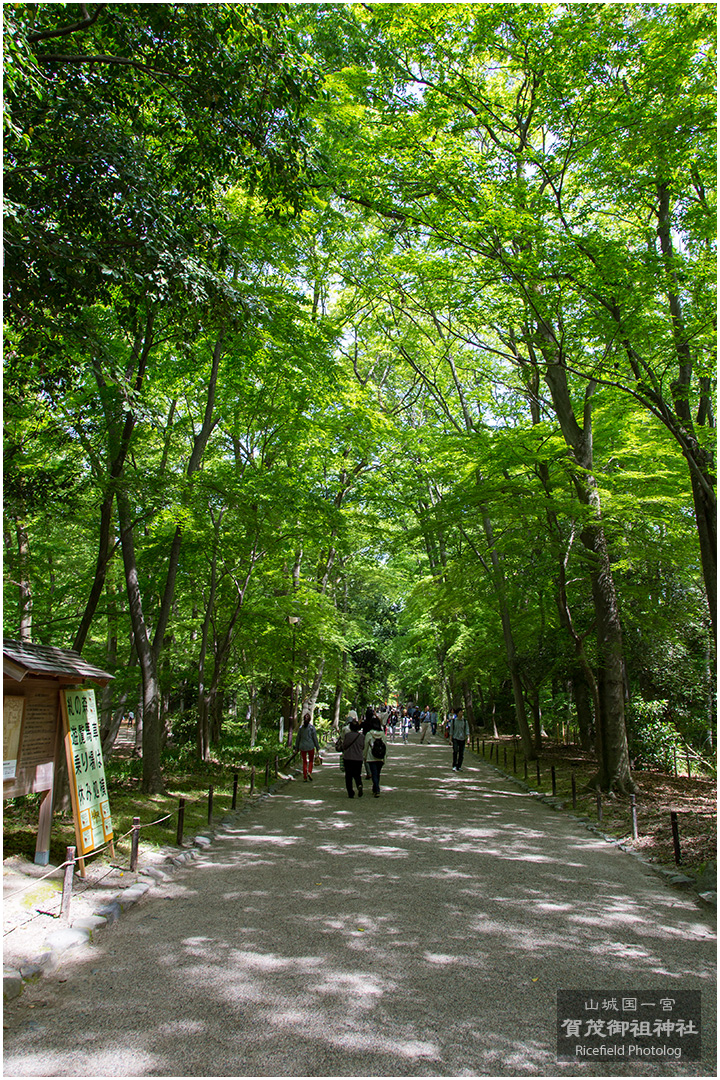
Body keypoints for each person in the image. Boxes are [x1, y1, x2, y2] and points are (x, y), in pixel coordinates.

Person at [363, 720, 388, 797]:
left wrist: (364, 756)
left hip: (371, 756)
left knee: (374, 773)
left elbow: (366, 746)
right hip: (380, 756)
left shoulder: (369, 734)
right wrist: (385, 756)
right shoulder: (382, 734)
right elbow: (385, 746)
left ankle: (377, 789)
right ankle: (375, 787)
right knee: (377, 773)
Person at [342, 719, 365, 798]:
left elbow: (344, 746)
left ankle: (350, 792)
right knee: (357, 774)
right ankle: (359, 784)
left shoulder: (347, 735)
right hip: (358, 758)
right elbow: (363, 747)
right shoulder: (361, 736)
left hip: (348, 757)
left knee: (348, 776)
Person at [295, 712, 320, 781]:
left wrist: (296, 747)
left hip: (302, 746)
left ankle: (305, 776)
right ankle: (309, 772)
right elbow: (315, 738)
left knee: (304, 761)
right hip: (310, 746)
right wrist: (317, 747)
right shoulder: (312, 728)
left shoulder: (301, 728)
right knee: (311, 760)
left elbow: (298, 738)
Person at [450, 706, 470, 771]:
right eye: (460, 712)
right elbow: (451, 731)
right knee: (455, 751)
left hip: (462, 738)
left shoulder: (464, 721)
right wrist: (450, 739)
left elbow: (467, 730)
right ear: (457, 713)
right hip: (455, 738)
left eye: (462, 712)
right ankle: (454, 765)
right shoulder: (453, 721)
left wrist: (468, 738)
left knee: (461, 753)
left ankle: (459, 766)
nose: (461, 713)